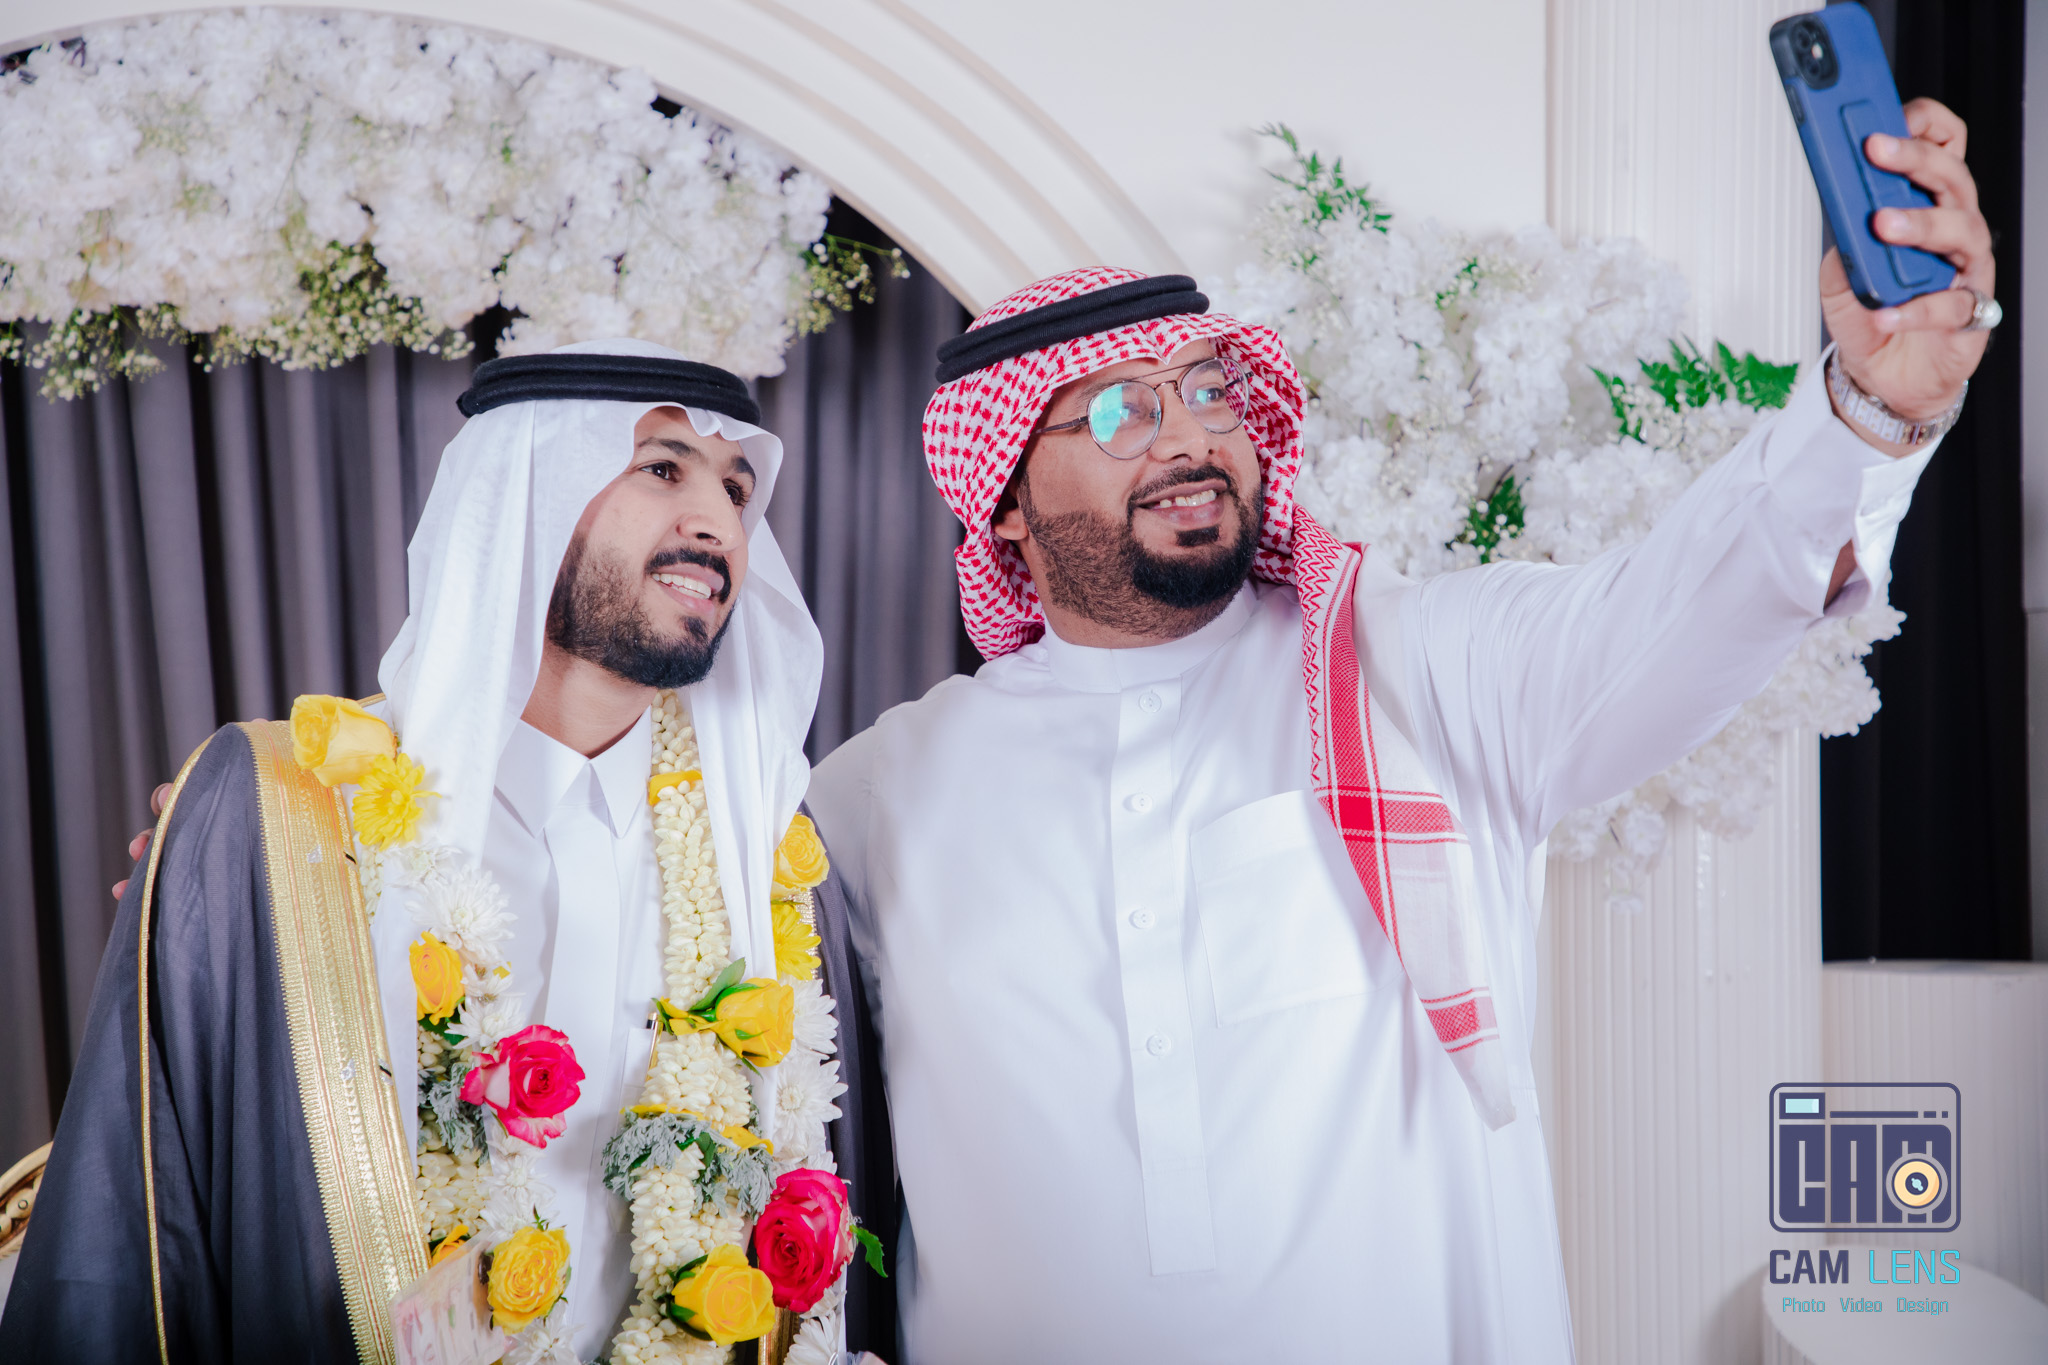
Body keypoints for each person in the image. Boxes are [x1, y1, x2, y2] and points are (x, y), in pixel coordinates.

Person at [805, 100, 1995, 1362]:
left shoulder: (1416, 674)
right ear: (999, 500)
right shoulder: (878, 799)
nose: (1191, 438)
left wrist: (1866, 413)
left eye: (1205, 392)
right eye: (1116, 414)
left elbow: (1690, 604)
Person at [1, 341, 889, 1363]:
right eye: (661, 467)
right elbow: (130, 1234)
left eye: (736, 488)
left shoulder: (763, 858)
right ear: (528, 496)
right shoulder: (280, 815)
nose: (720, 524)